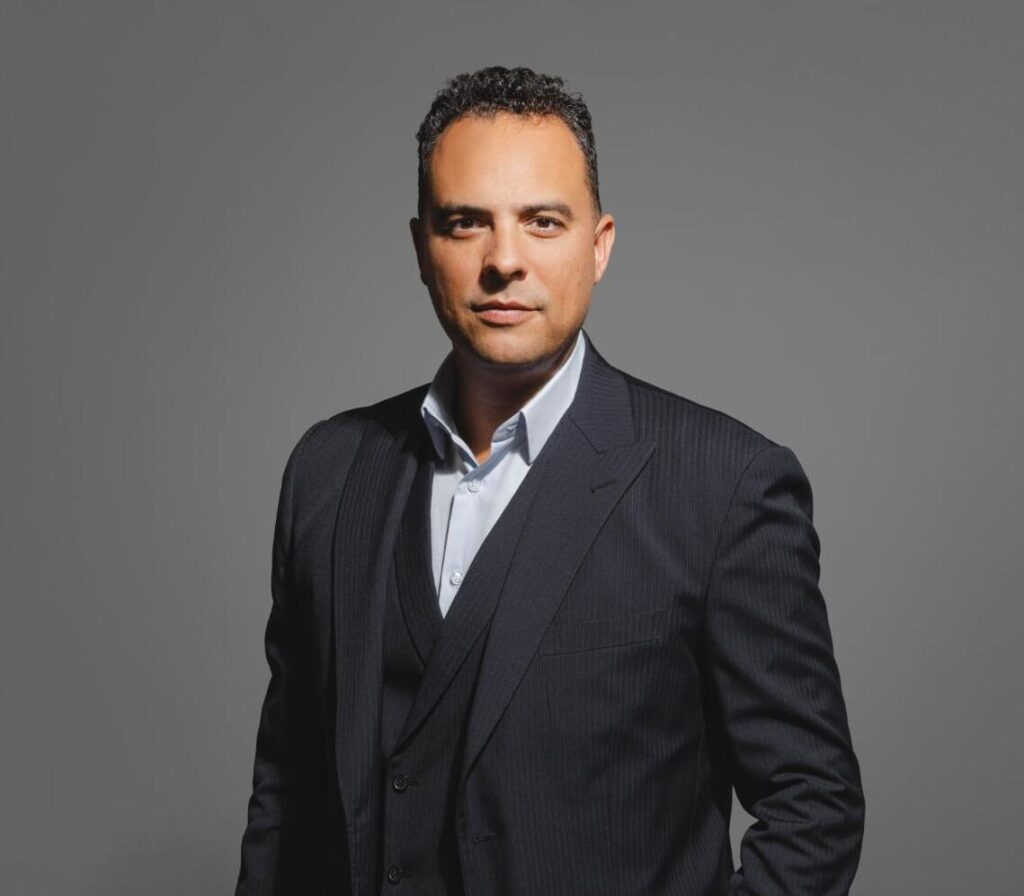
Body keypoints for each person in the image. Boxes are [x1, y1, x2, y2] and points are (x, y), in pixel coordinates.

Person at [234, 65, 864, 895]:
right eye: (466, 223)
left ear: (598, 245)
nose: (504, 261)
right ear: (422, 248)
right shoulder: (328, 472)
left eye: (542, 222)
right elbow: (286, 795)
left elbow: (814, 806)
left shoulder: (723, 485)